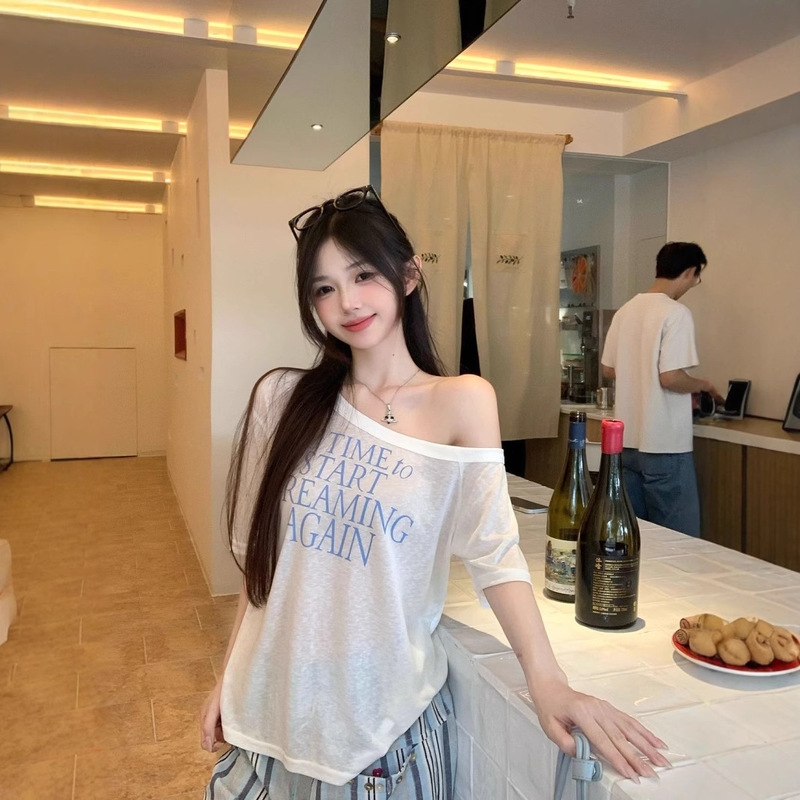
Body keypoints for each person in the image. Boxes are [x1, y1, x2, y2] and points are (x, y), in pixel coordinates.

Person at [200, 186, 670, 799]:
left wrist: (548, 680)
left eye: (363, 275)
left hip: (379, 743)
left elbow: (494, 555)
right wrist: (231, 678)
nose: (347, 302)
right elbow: (262, 569)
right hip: (268, 723)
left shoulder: (462, 401)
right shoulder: (282, 399)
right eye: (323, 288)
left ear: (409, 274)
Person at [601, 241, 724, 538]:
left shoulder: (626, 311)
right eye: (696, 279)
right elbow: (670, 378)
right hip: (664, 444)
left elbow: (608, 369)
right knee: (678, 541)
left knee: (636, 536)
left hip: (627, 445)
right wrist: (704, 385)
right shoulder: (675, 313)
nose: (692, 285)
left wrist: (638, 374)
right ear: (690, 272)